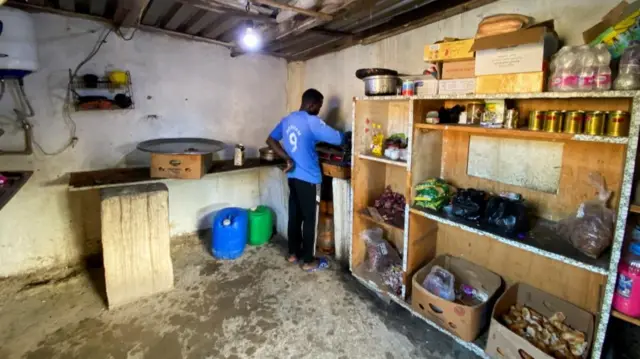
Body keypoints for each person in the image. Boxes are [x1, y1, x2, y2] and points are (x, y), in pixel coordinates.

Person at [266, 89, 343, 272]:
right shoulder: (312, 121)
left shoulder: (287, 120)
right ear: (311, 104)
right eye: (319, 106)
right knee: (310, 220)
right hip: (309, 179)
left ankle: (293, 253)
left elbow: (270, 140)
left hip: (292, 176)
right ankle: (309, 261)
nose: (319, 110)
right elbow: (338, 139)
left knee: (295, 215)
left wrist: (288, 158)